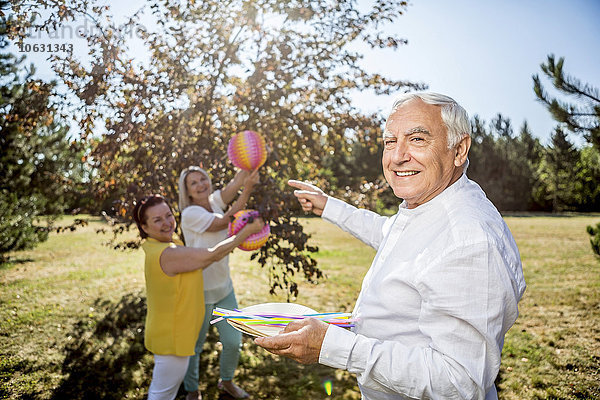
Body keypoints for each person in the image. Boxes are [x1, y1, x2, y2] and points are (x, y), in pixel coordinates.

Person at [254, 92, 527, 400]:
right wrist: (327, 206)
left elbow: (459, 382)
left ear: (459, 149)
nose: (397, 156)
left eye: (418, 140)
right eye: (389, 142)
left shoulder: (467, 239)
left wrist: (331, 346)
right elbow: (388, 233)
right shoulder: (431, 203)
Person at [132, 194, 264, 400]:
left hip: (168, 333)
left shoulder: (161, 243)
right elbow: (212, 255)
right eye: (157, 220)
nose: (167, 223)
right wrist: (246, 231)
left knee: (164, 391)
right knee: (162, 394)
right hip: (172, 339)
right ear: (144, 227)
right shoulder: (167, 253)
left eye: (168, 215)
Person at [178, 166, 260, 400]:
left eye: (202, 178)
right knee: (194, 348)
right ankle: (192, 391)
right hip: (198, 292)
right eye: (193, 183)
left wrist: (251, 164)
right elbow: (224, 222)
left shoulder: (214, 200)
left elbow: (235, 182)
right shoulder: (190, 213)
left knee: (234, 341)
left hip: (224, 288)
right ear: (188, 192)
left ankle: (227, 382)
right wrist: (249, 189)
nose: (200, 184)